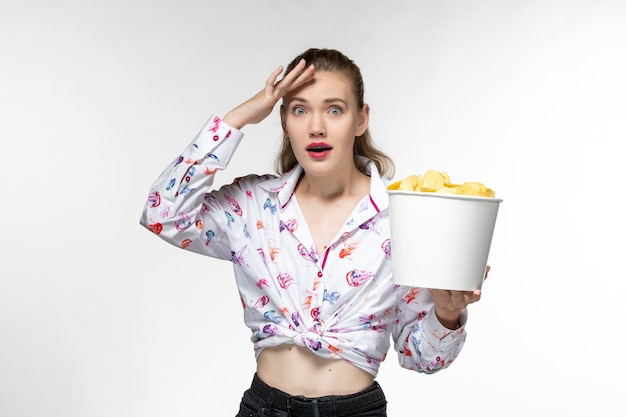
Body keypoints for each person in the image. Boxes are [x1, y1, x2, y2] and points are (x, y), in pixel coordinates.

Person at [140, 48, 485, 417]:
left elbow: (420, 358)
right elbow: (164, 214)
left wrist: (447, 315)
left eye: (334, 109)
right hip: (264, 408)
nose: (316, 126)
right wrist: (236, 119)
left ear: (361, 119)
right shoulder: (252, 205)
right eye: (299, 110)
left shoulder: (403, 217)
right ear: (284, 120)